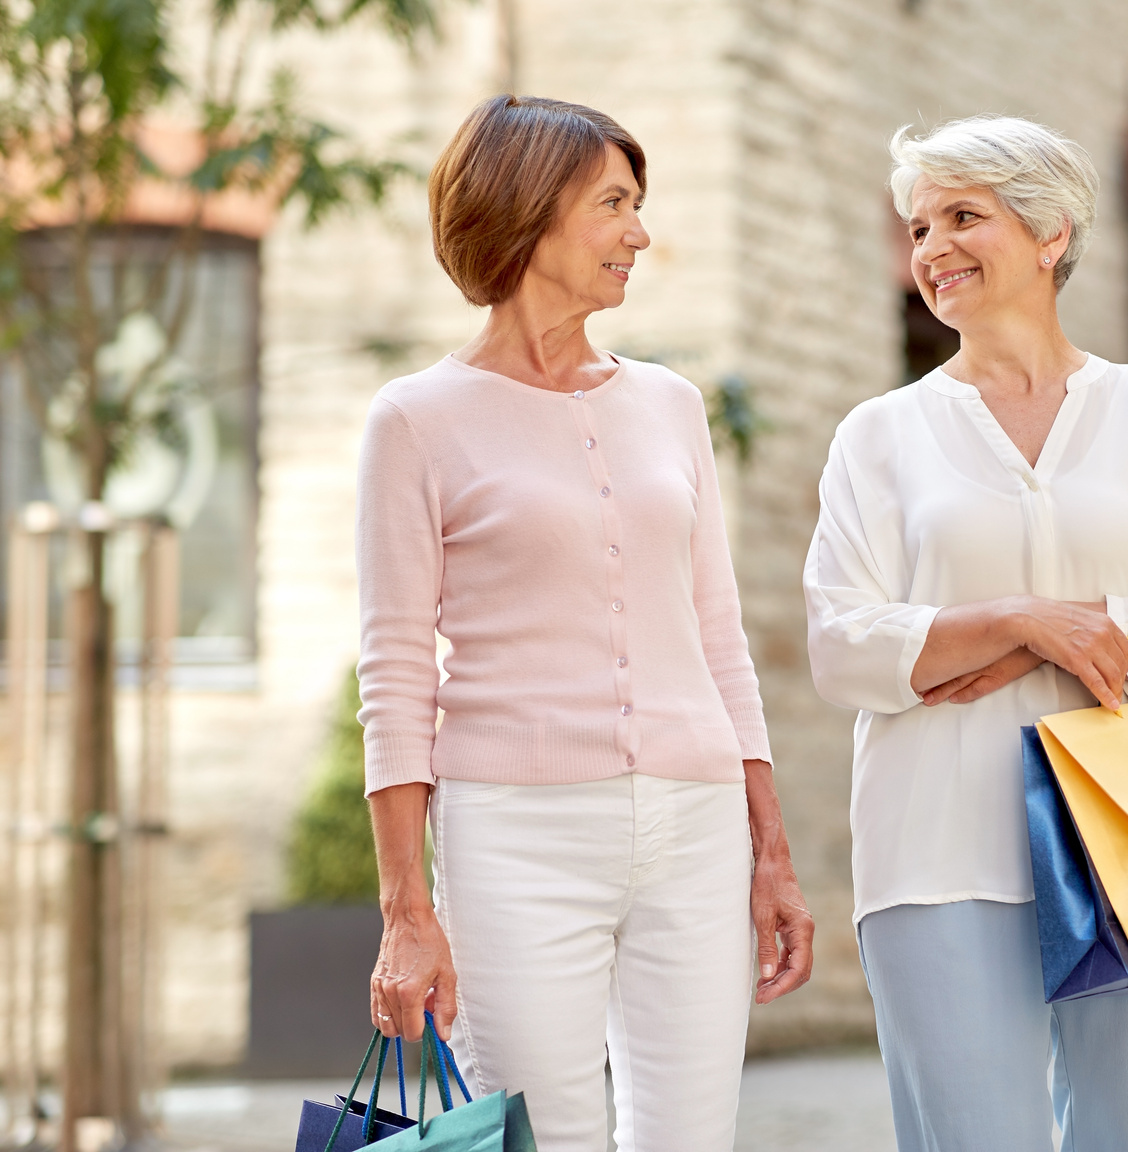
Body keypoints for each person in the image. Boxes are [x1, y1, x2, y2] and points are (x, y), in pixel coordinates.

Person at [356, 95, 814, 1152]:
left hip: (695, 826)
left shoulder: (671, 405)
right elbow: (393, 671)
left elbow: (716, 632)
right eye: (614, 204)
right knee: (543, 1137)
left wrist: (771, 852)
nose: (638, 233)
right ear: (529, 214)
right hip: (517, 834)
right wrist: (405, 912)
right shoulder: (417, 420)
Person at [803, 115, 1128, 1152]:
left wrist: (1020, 647)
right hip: (935, 850)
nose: (932, 248)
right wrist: (1016, 619)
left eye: (965, 216)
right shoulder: (879, 436)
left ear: (1052, 234)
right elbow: (842, 644)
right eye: (919, 226)